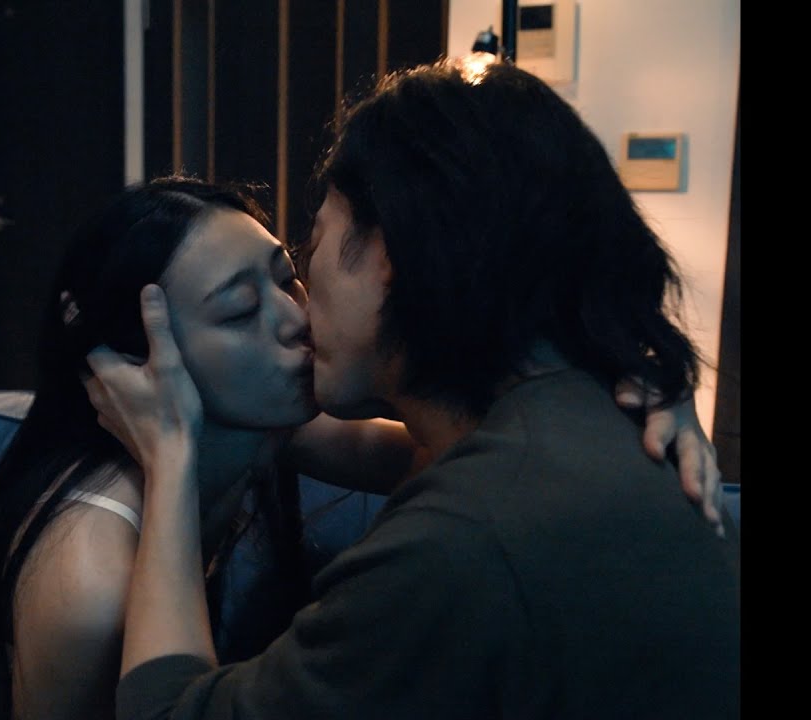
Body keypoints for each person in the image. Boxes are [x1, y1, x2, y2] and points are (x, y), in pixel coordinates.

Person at [0, 172, 722, 720]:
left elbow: (465, 453)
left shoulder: (276, 428)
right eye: (241, 311)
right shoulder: (89, 574)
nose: (294, 320)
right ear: (141, 361)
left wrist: (639, 394)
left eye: (288, 277)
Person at [88, 60, 740, 719]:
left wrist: (169, 453)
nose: (296, 313)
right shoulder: (587, 421)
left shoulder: (459, 542)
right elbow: (370, 448)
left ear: (388, 256)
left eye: (307, 251)